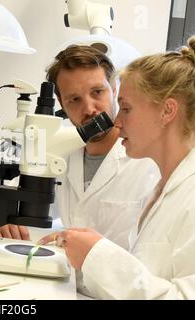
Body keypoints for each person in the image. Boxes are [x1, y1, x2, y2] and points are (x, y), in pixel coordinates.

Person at [39, 36, 195, 299]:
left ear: (167, 111)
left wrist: (97, 255)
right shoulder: (165, 189)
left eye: (126, 108)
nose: (117, 121)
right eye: (74, 99)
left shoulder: (185, 191)